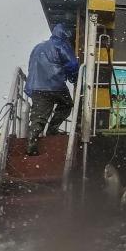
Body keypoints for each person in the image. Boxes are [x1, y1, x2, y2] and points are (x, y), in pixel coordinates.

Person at [25, 23, 80, 155]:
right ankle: (52, 129)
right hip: (55, 85)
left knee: (39, 116)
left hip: (36, 86)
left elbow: (31, 65)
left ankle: (31, 141)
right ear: (65, 35)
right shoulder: (61, 45)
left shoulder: (37, 47)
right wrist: (74, 77)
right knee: (66, 104)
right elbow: (72, 64)